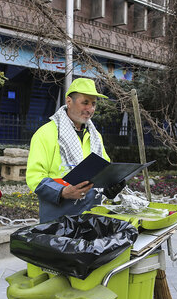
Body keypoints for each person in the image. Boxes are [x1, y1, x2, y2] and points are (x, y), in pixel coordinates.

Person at [26, 77, 123, 223]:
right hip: (58, 221)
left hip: (91, 217)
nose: (90, 109)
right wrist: (63, 192)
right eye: (85, 102)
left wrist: (111, 186)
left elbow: (104, 170)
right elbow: (35, 178)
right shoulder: (45, 134)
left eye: (93, 104)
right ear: (69, 101)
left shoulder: (95, 136)